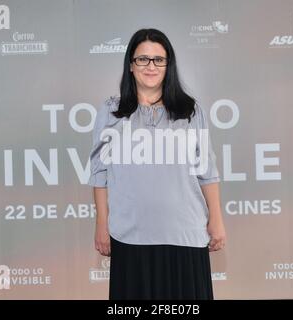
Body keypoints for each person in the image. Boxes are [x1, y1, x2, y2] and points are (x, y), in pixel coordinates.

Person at [88, 28, 226, 300]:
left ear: (168, 65)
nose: (150, 66)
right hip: (130, 237)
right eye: (143, 59)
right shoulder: (111, 111)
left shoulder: (190, 110)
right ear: (130, 65)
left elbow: (206, 169)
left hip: (185, 234)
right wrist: (102, 223)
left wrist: (217, 221)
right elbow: (99, 172)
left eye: (158, 60)